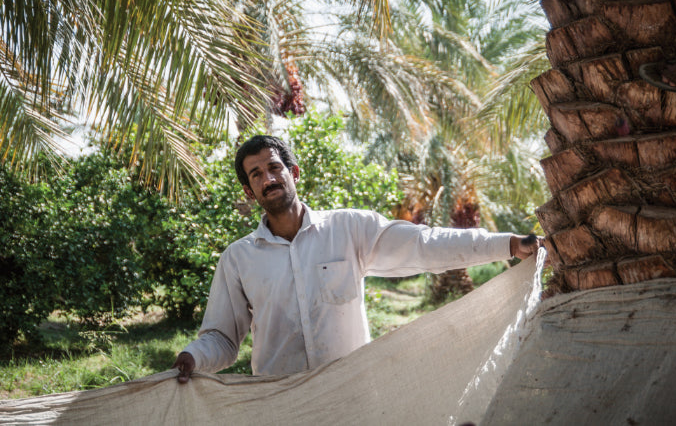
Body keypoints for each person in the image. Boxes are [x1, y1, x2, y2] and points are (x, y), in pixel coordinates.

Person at [172, 135, 542, 382]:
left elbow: (425, 245)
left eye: (274, 168)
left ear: (294, 172)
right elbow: (222, 338)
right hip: (281, 407)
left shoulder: (349, 229)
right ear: (249, 191)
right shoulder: (238, 259)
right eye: (256, 174)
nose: (268, 178)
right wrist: (193, 357)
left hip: (354, 399)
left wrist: (507, 244)